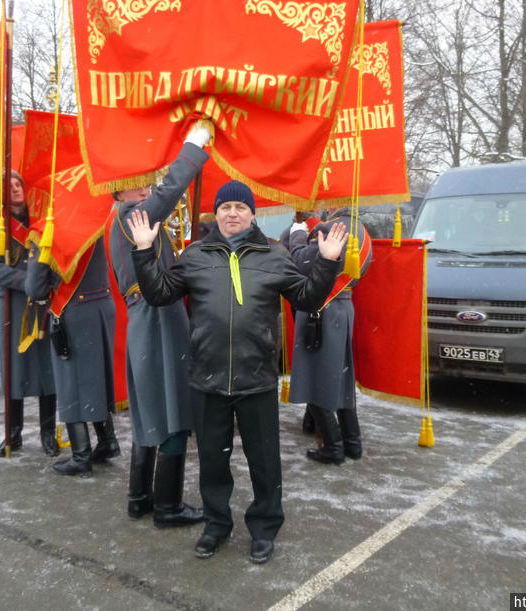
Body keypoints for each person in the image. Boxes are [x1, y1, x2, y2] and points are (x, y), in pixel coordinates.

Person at [127, 180, 347, 564]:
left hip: (257, 378)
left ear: (252, 214)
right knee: (213, 462)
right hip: (207, 378)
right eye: (225, 207)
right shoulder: (194, 254)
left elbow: (308, 298)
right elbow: (158, 293)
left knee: (265, 462)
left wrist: (327, 261)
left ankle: (264, 528)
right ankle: (216, 525)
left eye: (240, 208)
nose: (232, 214)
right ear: (216, 214)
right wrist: (144, 251)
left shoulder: (275, 255)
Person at [107, 121, 211, 528]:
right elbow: (170, 193)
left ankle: (140, 498)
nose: (145, 188)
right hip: (157, 319)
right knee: (171, 411)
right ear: (119, 192)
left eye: (144, 182)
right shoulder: (132, 217)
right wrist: (193, 147)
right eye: (135, 185)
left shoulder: (126, 219)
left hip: (150, 318)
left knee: (152, 411)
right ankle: (167, 507)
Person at [26, 222, 118, 478]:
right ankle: (107, 440)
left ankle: (81, 455)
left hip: (74, 311)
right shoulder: (93, 221)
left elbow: (35, 288)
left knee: (71, 384)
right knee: (96, 379)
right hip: (102, 305)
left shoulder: (47, 228)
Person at [0, 171, 58, 458]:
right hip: (13, 304)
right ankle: (13, 435)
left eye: (17, 183)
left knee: (48, 369)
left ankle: (48, 434)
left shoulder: (43, 218)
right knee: (14, 370)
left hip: (46, 303)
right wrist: (30, 282)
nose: (14, 188)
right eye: (7, 186)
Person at [287, 209, 371, 464]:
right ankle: (352, 442)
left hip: (321, 307)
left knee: (314, 378)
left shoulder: (332, 229)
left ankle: (333, 447)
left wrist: (297, 235)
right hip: (343, 306)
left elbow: (301, 261)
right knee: (341, 378)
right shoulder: (360, 229)